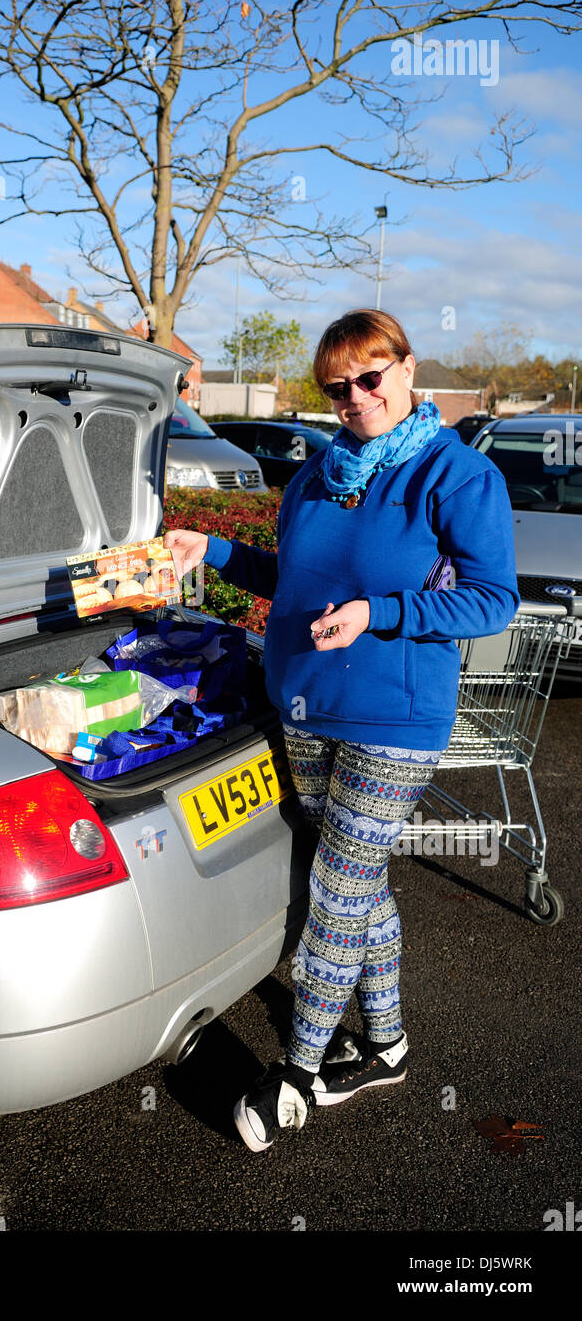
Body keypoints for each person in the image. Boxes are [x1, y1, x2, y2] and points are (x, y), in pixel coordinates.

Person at [164, 309, 519, 1154]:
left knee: (335, 891)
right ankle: (387, 1045)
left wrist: (379, 614)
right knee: (356, 885)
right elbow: (286, 579)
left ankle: (296, 1067)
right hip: (305, 709)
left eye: (370, 376)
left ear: (406, 369)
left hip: (394, 718)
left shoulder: (456, 476)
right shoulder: (316, 475)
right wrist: (206, 551)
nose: (355, 398)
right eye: (336, 388)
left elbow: (490, 599)